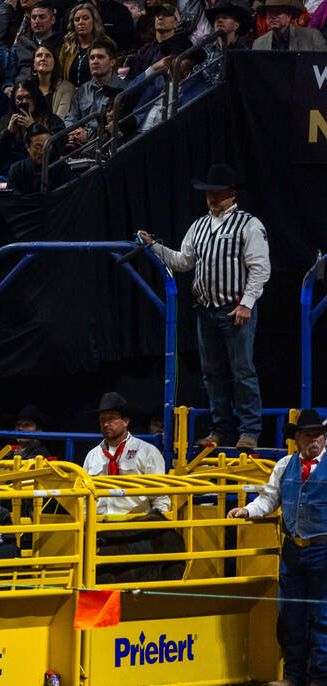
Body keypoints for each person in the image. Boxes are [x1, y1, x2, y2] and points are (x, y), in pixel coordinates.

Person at [137, 164, 269, 449]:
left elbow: (260, 269)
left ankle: (250, 431)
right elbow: (184, 261)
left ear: (231, 194)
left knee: (242, 371)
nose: (212, 199)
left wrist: (247, 303)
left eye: (218, 194)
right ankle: (220, 429)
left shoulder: (249, 224)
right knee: (213, 374)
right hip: (207, 309)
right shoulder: (198, 226)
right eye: (209, 194)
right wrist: (154, 247)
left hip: (235, 309)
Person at [228, 409, 327, 686]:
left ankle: (320, 678)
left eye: (318, 435)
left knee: (322, 615)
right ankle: (294, 676)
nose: (314, 440)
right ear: (296, 439)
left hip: (322, 547)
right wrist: (248, 510)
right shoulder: (285, 465)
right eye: (308, 435)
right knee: (291, 615)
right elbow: (270, 498)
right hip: (294, 549)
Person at [82, 392, 180, 583]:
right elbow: (86, 497)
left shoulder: (147, 452)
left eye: (111, 419)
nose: (106, 424)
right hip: (101, 528)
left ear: (125, 421)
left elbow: (160, 497)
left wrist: (154, 529)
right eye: (102, 420)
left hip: (136, 529)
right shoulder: (92, 456)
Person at [64, 40, 124, 148]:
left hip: (106, 146)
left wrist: (88, 135)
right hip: (78, 145)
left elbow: (117, 126)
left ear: (112, 62)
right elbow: (70, 118)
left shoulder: (122, 90)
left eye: (100, 57)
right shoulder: (82, 89)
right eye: (92, 58)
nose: (94, 61)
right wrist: (74, 132)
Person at [0, 79, 64, 171]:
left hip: (39, 174)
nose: (24, 102)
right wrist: (8, 133)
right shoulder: (5, 121)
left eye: (28, 97)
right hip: (7, 173)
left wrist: (33, 127)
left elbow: (56, 150)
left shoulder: (52, 120)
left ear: (36, 99)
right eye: (19, 98)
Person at [59, 3, 109, 86]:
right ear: (73, 24)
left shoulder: (106, 44)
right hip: (71, 95)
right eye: (77, 20)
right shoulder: (67, 47)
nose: (81, 22)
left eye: (85, 18)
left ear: (94, 20)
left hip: (97, 94)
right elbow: (59, 75)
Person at [13, 1, 63, 82]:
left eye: (42, 17)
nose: (37, 21)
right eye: (34, 17)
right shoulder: (21, 43)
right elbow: (11, 72)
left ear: (53, 20)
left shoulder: (62, 43)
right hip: (23, 87)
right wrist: (8, 85)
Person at [253, 0, 326, 51]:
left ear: (289, 15)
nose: (273, 16)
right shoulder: (259, 44)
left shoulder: (311, 37)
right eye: (269, 11)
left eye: (278, 11)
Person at [31, 44, 74, 120]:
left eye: (48, 56)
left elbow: (60, 120)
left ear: (55, 63)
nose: (43, 59)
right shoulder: (27, 87)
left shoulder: (66, 88)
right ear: (34, 63)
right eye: (39, 55)